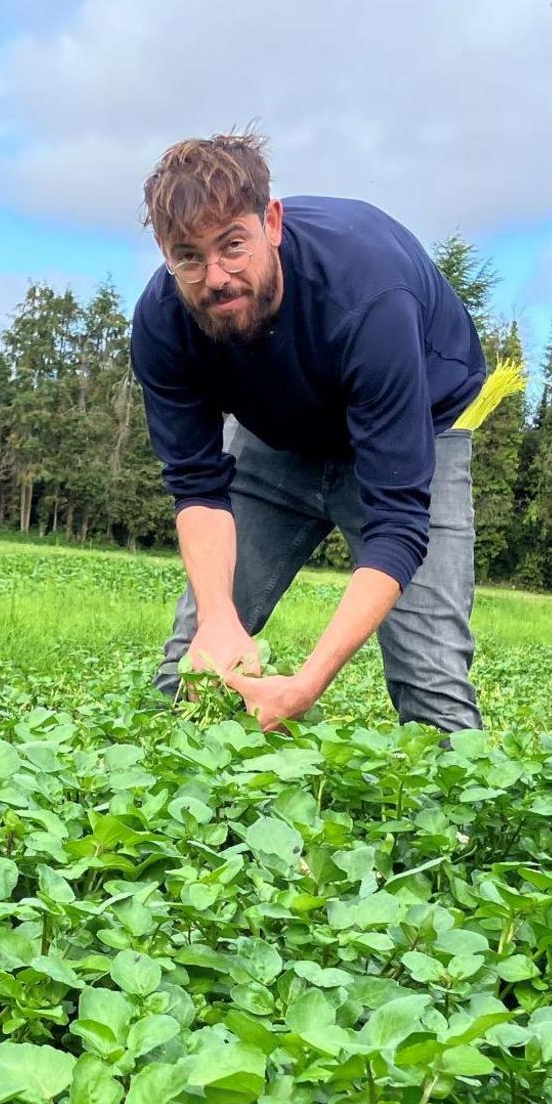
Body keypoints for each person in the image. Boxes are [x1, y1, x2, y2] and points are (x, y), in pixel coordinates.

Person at [134, 131, 485, 734]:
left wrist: (308, 681)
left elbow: (399, 523)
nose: (215, 276)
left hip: (415, 435)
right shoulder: (164, 320)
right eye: (188, 256)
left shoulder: (368, 294)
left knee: (432, 694)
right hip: (275, 442)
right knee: (190, 670)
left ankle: (459, 829)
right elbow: (197, 484)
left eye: (233, 245)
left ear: (271, 221)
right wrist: (217, 616)